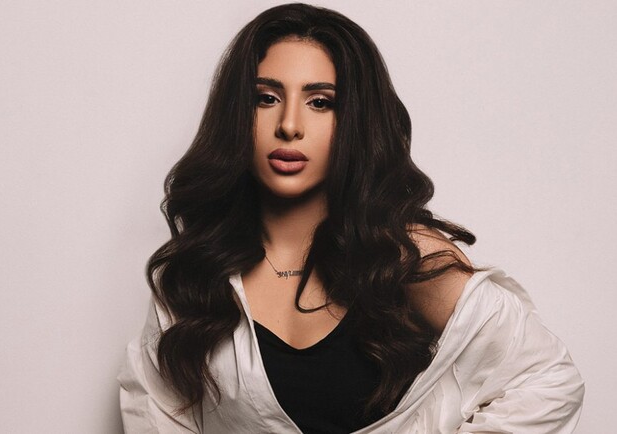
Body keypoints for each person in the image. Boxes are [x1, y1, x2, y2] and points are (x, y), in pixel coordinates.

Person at [118, 3, 584, 433]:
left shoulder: (404, 255)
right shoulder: (195, 277)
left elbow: (547, 379)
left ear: (355, 121)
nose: (289, 125)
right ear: (236, 115)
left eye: (320, 102)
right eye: (266, 98)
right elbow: (154, 418)